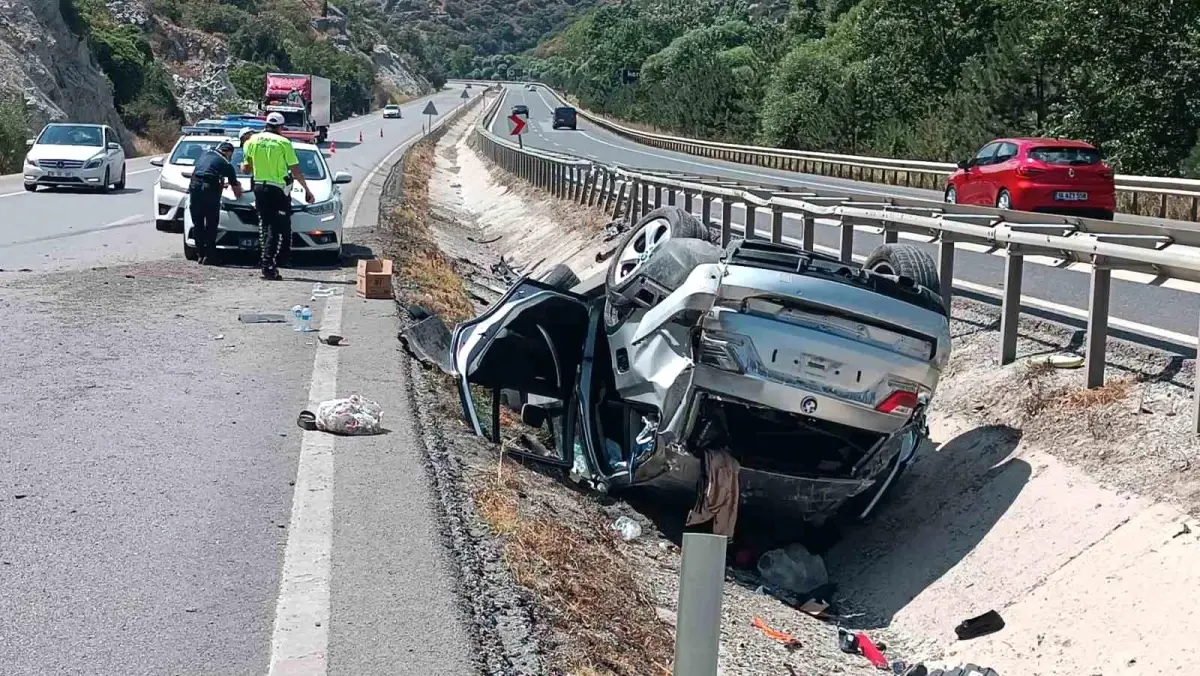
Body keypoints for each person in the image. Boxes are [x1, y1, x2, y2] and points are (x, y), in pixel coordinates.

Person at [240, 112, 314, 280]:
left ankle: (267, 262)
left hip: (258, 187)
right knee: (274, 227)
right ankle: (268, 264)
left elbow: (246, 169)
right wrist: (307, 191)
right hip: (278, 189)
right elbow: (295, 170)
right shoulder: (283, 142)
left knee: (265, 225)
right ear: (281, 127)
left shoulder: (251, 141)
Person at [188, 140, 243, 265]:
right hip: (209, 190)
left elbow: (206, 171)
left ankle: (200, 255)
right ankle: (210, 256)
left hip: (195, 186)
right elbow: (236, 189)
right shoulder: (225, 163)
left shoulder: (205, 155)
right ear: (228, 153)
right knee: (211, 224)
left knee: (198, 223)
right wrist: (239, 190)